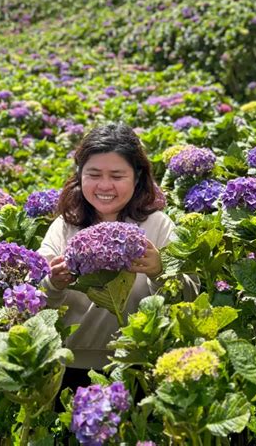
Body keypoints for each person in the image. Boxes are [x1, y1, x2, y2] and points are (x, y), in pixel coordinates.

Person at [37, 122, 199, 388]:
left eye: (116, 175)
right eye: (94, 174)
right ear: (80, 176)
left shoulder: (158, 224)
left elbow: (190, 296)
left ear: (137, 177)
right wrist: (53, 283)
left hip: (142, 364)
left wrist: (160, 270)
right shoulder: (66, 226)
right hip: (71, 368)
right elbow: (37, 299)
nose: (105, 185)